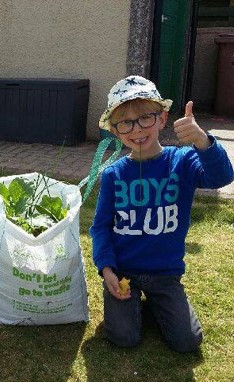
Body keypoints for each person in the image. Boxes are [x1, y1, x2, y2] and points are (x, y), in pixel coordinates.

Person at [90, 75, 234, 352]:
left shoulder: (183, 161)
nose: (136, 129)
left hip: (165, 273)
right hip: (123, 271)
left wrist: (203, 141)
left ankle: (159, 304)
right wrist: (106, 268)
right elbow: (101, 227)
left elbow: (222, 176)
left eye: (145, 118)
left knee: (187, 342)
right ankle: (130, 306)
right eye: (125, 123)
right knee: (124, 338)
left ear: (162, 118)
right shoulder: (113, 175)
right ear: (115, 130)